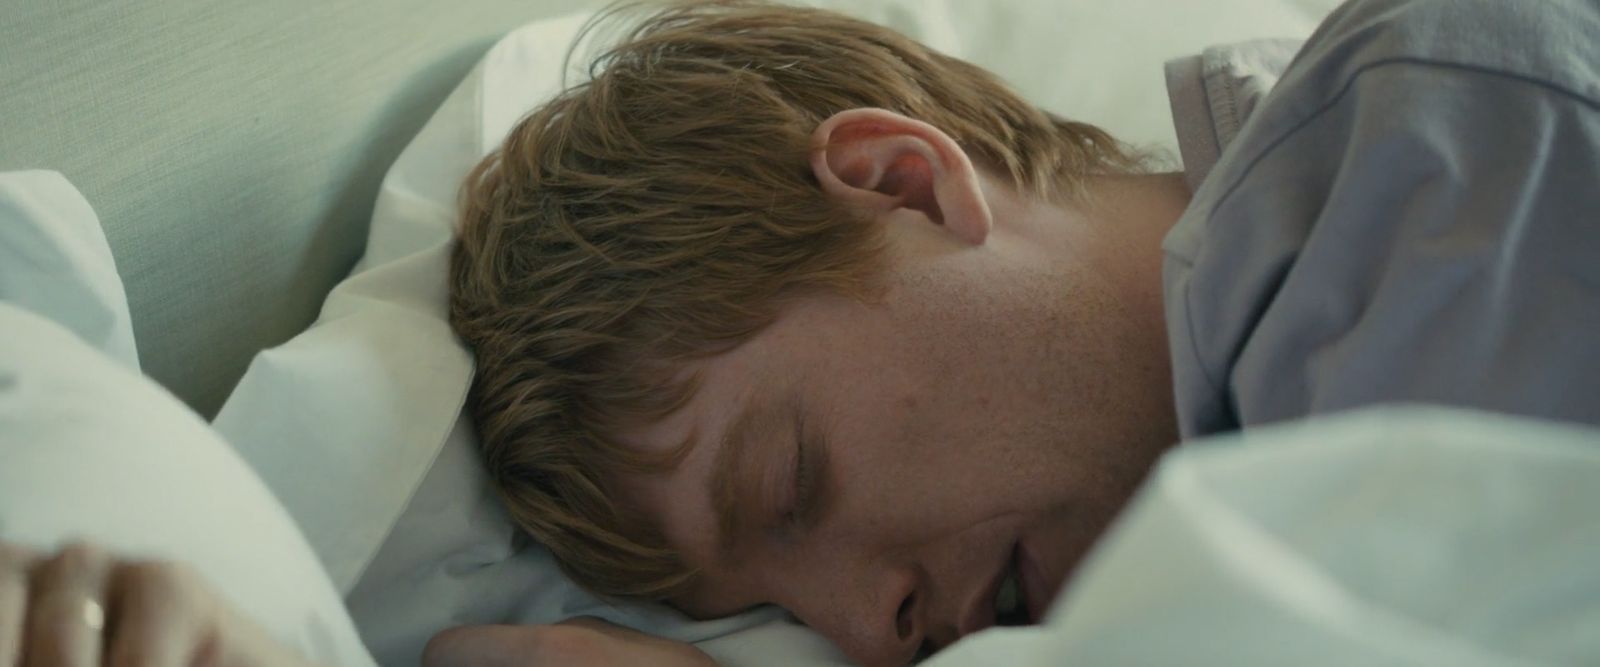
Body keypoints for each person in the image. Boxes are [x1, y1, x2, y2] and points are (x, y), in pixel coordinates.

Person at [5, 0, 1597, 665]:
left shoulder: (1440, 151)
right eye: (779, 606)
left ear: (902, 180)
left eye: (793, 485)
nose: (871, 628)